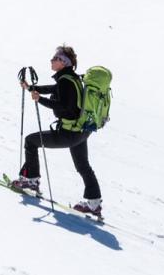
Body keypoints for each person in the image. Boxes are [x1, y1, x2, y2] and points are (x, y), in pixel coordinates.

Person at [10, 45, 102, 217]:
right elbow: (55, 89)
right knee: (83, 166)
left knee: (31, 141)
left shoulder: (66, 80)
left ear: (63, 62)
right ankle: (93, 202)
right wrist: (31, 88)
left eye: (55, 59)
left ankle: (31, 180)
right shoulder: (71, 78)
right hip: (81, 131)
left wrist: (40, 99)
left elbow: (64, 106)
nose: (51, 61)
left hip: (68, 133)